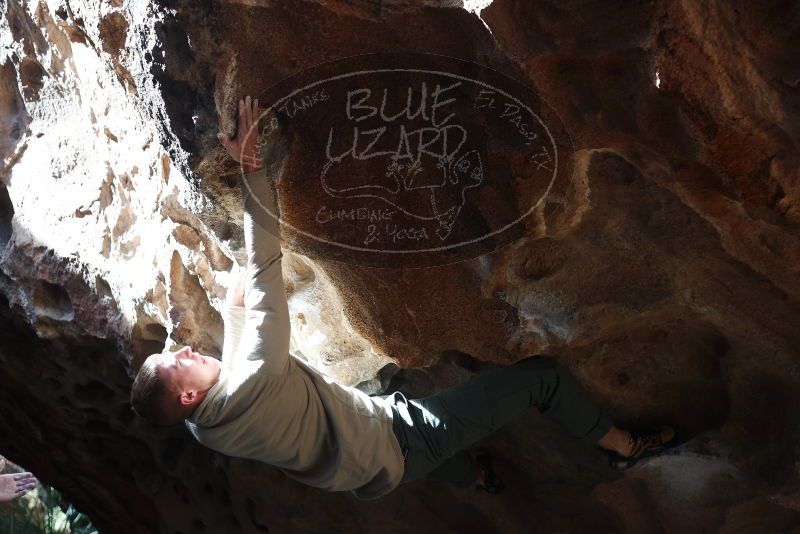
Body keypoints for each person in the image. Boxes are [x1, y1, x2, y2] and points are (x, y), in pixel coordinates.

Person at [130, 96, 679, 499]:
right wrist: (252, 169)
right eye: (178, 364)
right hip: (400, 440)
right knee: (541, 379)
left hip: (362, 466)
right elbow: (266, 273)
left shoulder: (206, 429)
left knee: (412, 424)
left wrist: (231, 297)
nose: (185, 350)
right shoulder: (253, 381)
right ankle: (624, 448)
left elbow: (239, 337)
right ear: (185, 398)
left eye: (171, 349)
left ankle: (478, 477)